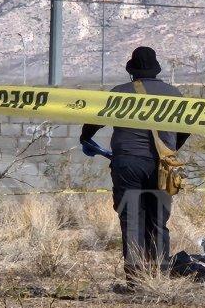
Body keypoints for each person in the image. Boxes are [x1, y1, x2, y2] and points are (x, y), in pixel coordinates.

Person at [79, 46, 190, 292]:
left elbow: (94, 120)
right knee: (158, 221)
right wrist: (169, 149)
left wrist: (85, 137)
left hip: (127, 163)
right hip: (163, 166)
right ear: (156, 70)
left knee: (132, 221)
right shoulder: (174, 94)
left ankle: (136, 280)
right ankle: (159, 278)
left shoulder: (120, 93)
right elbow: (187, 127)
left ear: (132, 72)